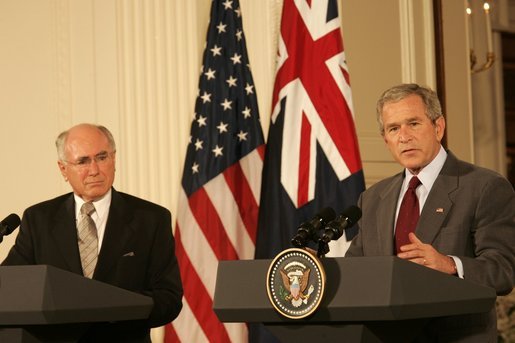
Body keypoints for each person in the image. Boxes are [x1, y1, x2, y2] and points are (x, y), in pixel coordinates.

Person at [345, 83, 515, 342]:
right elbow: (357, 270)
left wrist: (449, 264)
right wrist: (322, 272)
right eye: (393, 128)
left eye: (413, 124)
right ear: (386, 139)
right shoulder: (372, 199)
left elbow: (502, 271)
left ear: (438, 127)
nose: (404, 136)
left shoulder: (484, 187)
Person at [2, 123, 183, 342]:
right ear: (63, 169)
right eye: (83, 161)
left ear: (114, 159)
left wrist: (117, 307)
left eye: (102, 157)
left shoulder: (151, 219)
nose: (95, 170)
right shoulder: (39, 219)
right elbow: (10, 290)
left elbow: (169, 298)